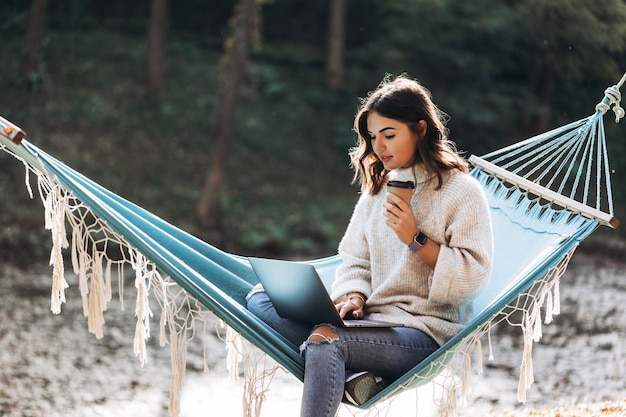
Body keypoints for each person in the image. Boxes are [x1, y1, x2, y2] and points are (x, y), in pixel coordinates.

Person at [246, 74, 493, 417]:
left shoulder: (461, 192)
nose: (379, 146)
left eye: (389, 135)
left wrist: (416, 238)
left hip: (425, 331)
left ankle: (339, 361)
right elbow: (355, 259)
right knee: (259, 298)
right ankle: (355, 377)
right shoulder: (378, 190)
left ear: (420, 129)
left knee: (325, 340)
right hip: (371, 322)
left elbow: (472, 278)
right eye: (373, 137)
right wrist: (354, 297)